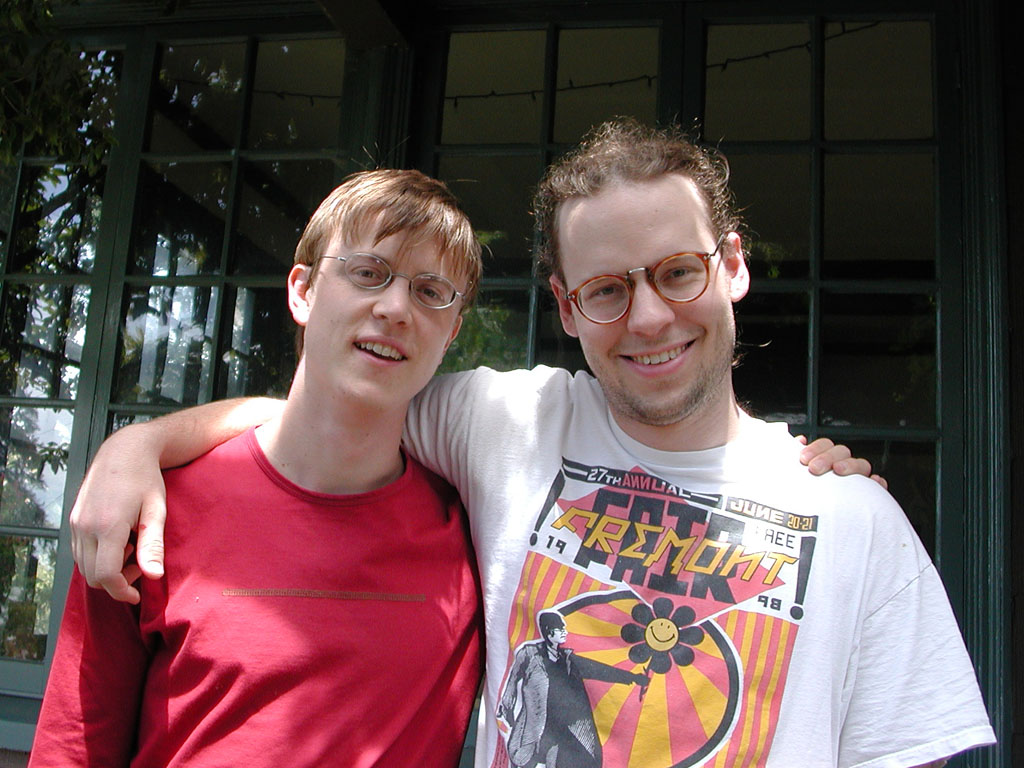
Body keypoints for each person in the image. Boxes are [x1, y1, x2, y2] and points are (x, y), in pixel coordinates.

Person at [65, 119, 983, 767]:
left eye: (677, 272)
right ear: (566, 308)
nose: (649, 317)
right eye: (607, 290)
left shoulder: (856, 522)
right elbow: (336, 402)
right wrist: (138, 445)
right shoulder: (506, 421)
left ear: (732, 266)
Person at [29, 169, 485, 767]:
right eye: (368, 273)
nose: (396, 307)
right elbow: (71, 749)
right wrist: (137, 444)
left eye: (430, 291)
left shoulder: (475, 538)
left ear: (450, 333)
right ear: (303, 291)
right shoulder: (150, 512)